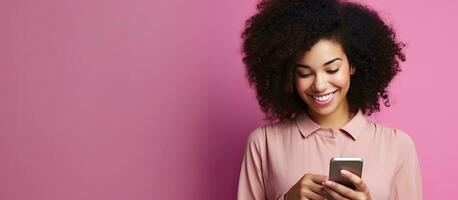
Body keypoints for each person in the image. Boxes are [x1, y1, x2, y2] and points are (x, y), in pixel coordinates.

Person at [236, 0, 422, 199]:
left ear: (352, 65)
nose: (320, 85)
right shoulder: (264, 143)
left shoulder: (397, 146)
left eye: (332, 69)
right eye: (305, 73)